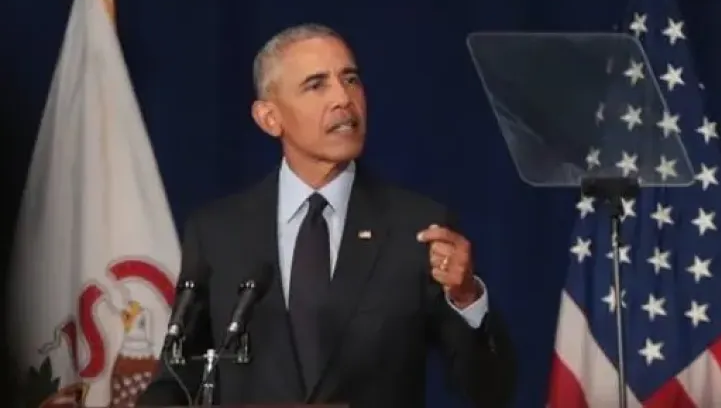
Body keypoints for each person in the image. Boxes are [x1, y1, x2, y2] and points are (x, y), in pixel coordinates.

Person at [138, 24, 516, 407]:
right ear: (269, 117)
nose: (343, 99)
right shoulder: (218, 233)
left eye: (350, 80)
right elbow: (178, 380)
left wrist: (466, 297)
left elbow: (491, 391)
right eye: (316, 85)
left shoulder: (417, 227)